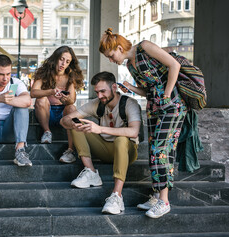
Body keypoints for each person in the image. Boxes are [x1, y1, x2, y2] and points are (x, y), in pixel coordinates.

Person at [99, 28, 187, 218]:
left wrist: (166, 95)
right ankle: (157, 196)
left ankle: (164, 201)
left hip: (171, 105)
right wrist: (131, 88)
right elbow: (149, 90)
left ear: (120, 47)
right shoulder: (130, 65)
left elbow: (174, 66)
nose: (111, 59)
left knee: (160, 150)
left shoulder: (145, 47)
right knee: (156, 151)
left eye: (111, 55)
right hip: (155, 107)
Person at [60, 71, 141, 215]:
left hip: (127, 151)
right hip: (104, 149)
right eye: (97, 92)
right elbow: (64, 120)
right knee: (77, 124)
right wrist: (74, 124)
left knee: (121, 140)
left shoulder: (130, 104)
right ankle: (91, 172)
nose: (100, 96)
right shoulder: (97, 103)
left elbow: (134, 132)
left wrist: (99, 129)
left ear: (114, 87)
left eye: (103, 91)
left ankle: (117, 196)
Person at [31, 46, 84, 163]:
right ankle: (47, 132)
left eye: (67, 61)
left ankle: (70, 151)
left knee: (71, 108)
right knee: (41, 99)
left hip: (63, 114)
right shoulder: (44, 73)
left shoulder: (70, 76)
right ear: (55, 58)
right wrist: (51, 91)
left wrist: (65, 99)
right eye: (61, 59)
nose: (63, 63)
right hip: (46, 113)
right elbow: (33, 92)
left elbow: (72, 100)